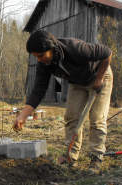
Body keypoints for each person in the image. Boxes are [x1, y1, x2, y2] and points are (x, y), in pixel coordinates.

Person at [13, 30, 112, 174]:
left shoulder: (75, 48)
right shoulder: (44, 64)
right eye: (36, 57)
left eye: (41, 55)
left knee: (97, 119)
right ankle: (70, 157)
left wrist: (99, 78)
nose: (39, 60)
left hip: (99, 75)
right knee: (72, 118)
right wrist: (22, 116)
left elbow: (107, 53)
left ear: (51, 48)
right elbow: (38, 90)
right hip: (77, 82)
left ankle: (96, 158)